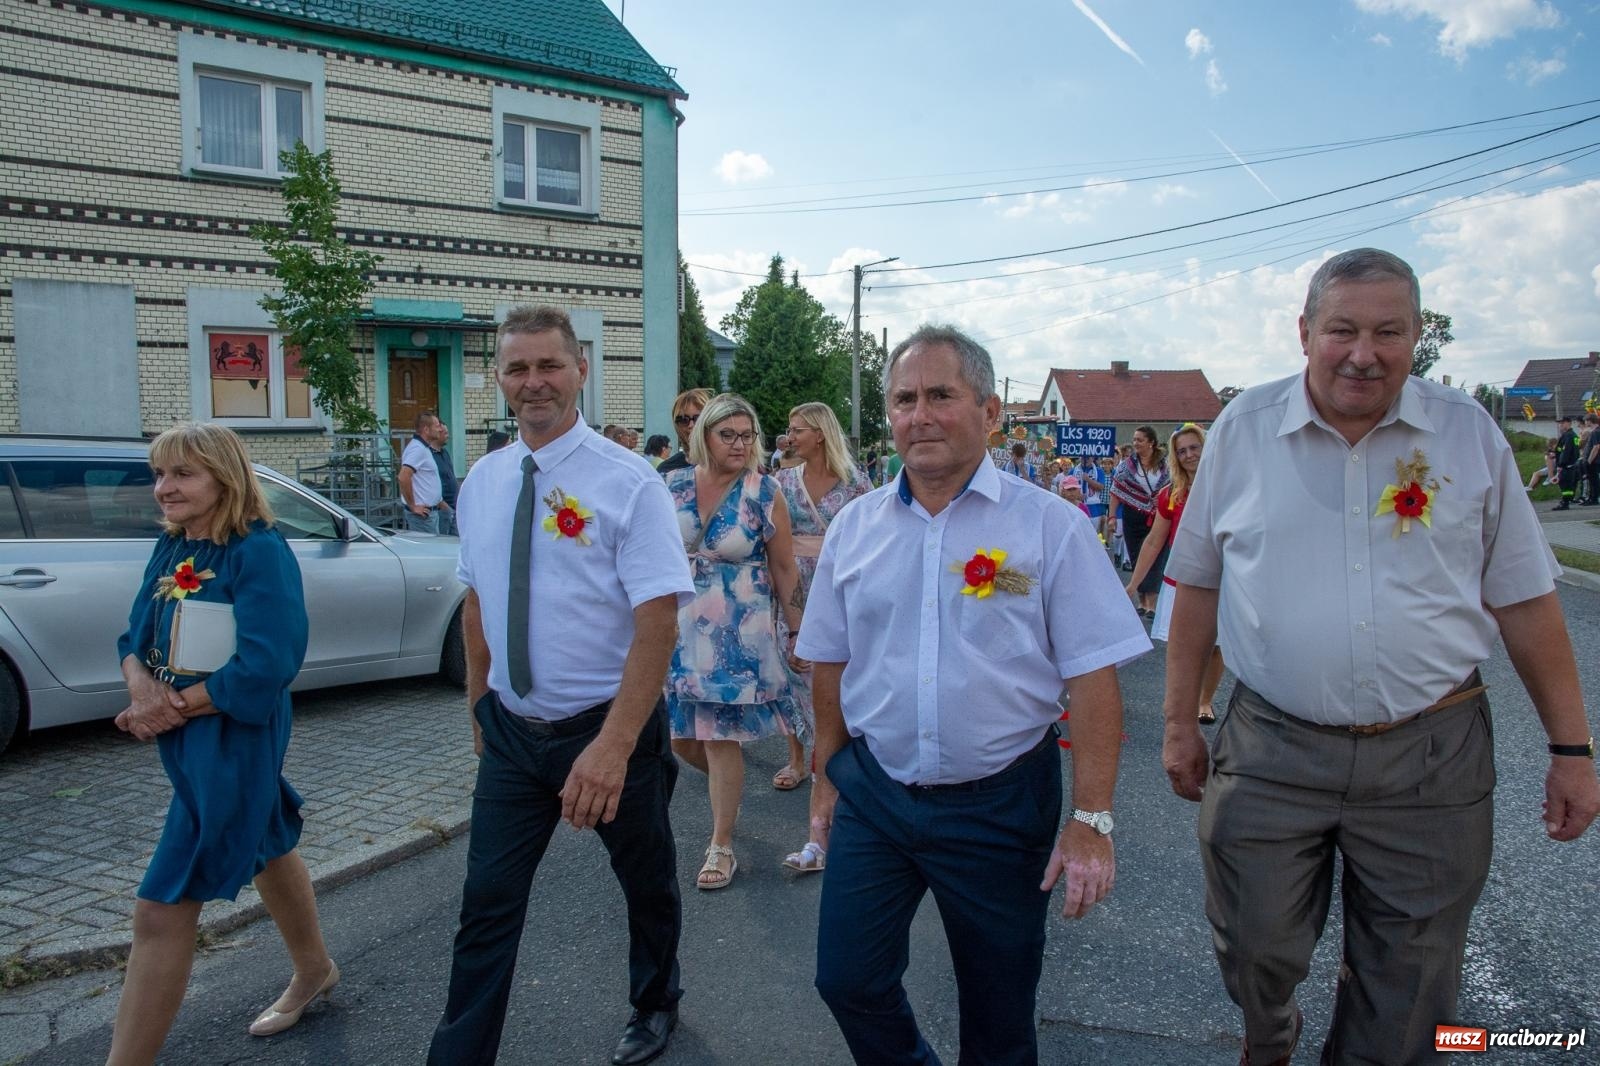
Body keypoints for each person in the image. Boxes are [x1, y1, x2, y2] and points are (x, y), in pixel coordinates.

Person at [1162, 248, 1599, 1066]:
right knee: (1253, 943)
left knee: (1413, 982)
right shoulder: (1244, 432)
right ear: (1304, 333)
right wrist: (1181, 721)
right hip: (1270, 747)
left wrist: (1572, 751)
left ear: (1416, 339)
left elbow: (1526, 601)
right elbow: (1197, 586)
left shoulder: (1468, 434)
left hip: (1432, 754)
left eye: (1389, 332)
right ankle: (1271, 1030)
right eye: (1343, 330)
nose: (1364, 352)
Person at [797, 324, 1151, 1065]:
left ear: (990, 414)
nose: (918, 415)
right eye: (903, 400)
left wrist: (1092, 819)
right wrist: (828, 782)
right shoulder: (856, 530)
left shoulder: (1048, 527)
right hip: (877, 792)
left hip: (999, 805)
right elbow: (827, 662)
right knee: (847, 979)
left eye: (940, 396)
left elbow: (1092, 677)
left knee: (999, 1011)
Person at [428, 306, 693, 1066]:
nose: (534, 381)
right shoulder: (481, 482)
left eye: (550, 365)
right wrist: (479, 703)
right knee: (485, 906)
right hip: (515, 735)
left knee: (645, 884)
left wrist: (613, 746)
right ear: (501, 380)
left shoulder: (628, 482)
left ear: (581, 370)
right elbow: (478, 599)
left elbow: (658, 621)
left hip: (609, 731)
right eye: (518, 368)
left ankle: (655, 1000)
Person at [107, 422, 333, 1064]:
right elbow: (133, 635)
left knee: (162, 907)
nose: (164, 488)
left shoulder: (256, 550)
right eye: (159, 474)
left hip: (236, 737)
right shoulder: (173, 544)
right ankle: (314, 970)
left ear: (223, 476)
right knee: (266, 841)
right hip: (184, 734)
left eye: (182, 474)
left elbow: (269, 663)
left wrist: (169, 707)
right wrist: (142, 689)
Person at [663, 393, 805, 891]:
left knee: (721, 741)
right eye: (729, 435)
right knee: (682, 740)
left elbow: (785, 567)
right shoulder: (671, 484)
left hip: (738, 640)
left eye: (748, 435)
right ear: (704, 435)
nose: (740, 444)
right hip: (679, 634)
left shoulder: (765, 492)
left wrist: (799, 629)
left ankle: (721, 844)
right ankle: (732, 791)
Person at [772, 401, 873, 873]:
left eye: (798, 429)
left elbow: (874, 543)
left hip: (841, 592)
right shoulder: (782, 482)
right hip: (795, 592)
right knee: (800, 690)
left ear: (820, 433)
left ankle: (833, 794)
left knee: (838, 696)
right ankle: (806, 768)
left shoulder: (856, 484)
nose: (790, 436)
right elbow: (776, 546)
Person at [1124, 423, 1224, 724]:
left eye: (1195, 448)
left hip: (1221, 579)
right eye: (1182, 451)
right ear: (1175, 458)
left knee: (1217, 646)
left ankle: (1205, 701)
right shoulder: (1171, 494)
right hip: (1181, 580)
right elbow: (1154, 540)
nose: (1190, 455)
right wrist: (1133, 585)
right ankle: (1181, 703)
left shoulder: (1227, 486)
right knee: (1181, 649)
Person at [1109, 426, 1169, 617]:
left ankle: (1152, 603)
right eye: (1134, 440)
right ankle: (1142, 601)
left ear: (1151, 442)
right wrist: (1112, 516)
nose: (1135, 443)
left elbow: (1171, 486)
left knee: (1156, 557)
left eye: (1140, 440)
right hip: (1132, 516)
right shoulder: (1127, 466)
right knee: (1137, 556)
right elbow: (1116, 490)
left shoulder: (1165, 465)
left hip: (1157, 515)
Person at [400, 411, 451, 534]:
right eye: (437, 425)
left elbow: (424, 479)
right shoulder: (417, 449)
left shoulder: (423, 448)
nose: (440, 429)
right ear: (426, 429)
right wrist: (413, 506)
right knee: (431, 551)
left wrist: (438, 501)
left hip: (432, 512)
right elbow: (403, 476)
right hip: (423, 516)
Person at [658, 388, 712, 476]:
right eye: (683, 420)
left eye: (698, 418)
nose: (691, 425)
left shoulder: (726, 464)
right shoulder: (666, 470)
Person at [429, 417, 460, 536]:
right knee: (443, 542)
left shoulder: (444, 452)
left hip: (453, 507)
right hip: (441, 509)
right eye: (445, 433)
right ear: (437, 434)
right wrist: (443, 505)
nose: (448, 436)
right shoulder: (428, 455)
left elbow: (450, 476)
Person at [1552, 413, 1578, 510]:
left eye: (1562, 423)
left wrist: (1561, 464)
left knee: (1564, 484)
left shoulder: (1568, 435)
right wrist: (1555, 454)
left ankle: (1565, 503)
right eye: (1560, 423)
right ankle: (1566, 501)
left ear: (1568, 423)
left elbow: (1566, 451)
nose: (1560, 425)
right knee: (1567, 484)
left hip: (1566, 465)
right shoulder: (1572, 435)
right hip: (1570, 464)